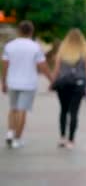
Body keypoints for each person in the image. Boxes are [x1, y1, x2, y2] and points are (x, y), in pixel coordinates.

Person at [1, 20, 52, 149]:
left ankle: (10, 132)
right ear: (31, 31)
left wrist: (4, 82)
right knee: (22, 110)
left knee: (13, 108)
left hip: (12, 82)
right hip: (28, 83)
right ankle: (17, 139)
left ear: (19, 30)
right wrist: (52, 80)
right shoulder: (35, 47)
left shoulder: (9, 46)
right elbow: (43, 66)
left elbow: (5, 66)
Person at [51, 28, 86, 149]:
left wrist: (52, 82)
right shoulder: (85, 51)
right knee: (74, 112)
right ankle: (71, 140)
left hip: (63, 84)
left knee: (63, 110)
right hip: (79, 84)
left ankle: (62, 137)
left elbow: (57, 69)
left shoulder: (62, 50)